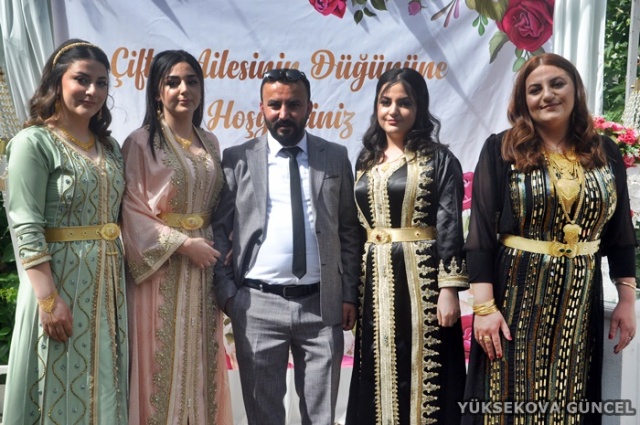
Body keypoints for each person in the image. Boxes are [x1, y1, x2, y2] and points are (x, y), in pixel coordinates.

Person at [463, 53, 637, 424]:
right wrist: (485, 309)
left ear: (575, 89)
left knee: (568, 396)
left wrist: (626, 299)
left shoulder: (604, 152)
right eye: (535, 89)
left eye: (557, 84)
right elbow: (480, 236)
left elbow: (620, 234)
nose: (547, 95)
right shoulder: (502, 149)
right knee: (506, 396)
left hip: (578, 303)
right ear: (522, 100)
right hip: (515, 299)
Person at [212, 68, 361, 425]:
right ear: (261, 108)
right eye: (274, 105)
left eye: (293, 104)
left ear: (309, 107)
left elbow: (348, 230)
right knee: (263, 416)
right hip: (257, 306)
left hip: (321, 307)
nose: (284, 113)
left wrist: (348, 294)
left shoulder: (334, 156)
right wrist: (229, 295)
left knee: (321, 416)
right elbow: (218, 230)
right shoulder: (238, 158)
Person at [2, 39, 128, 424]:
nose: (92, 91)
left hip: (107, 286)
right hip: (59, 283)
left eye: (101, 83)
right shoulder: (33, 142)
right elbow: (26, 224)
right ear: (57, 81)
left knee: (104, 383)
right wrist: (48, 299)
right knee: (56, 381)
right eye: (82, 79)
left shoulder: (110, 147)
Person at [344, 67, 469, 424]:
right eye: (385, 102)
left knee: (422, 366)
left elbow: (449, 224)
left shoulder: (439, 159)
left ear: (419, 108)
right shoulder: (366, 159)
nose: (393, 111)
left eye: (404, 103)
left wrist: (448, 289)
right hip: (374, 283)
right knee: (377, 362)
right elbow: (355, 228)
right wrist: (350, 292)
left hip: (421, 282)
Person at [120, 50, 232, 425]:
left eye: (192, 81)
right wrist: (184, 244)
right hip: (160, 271)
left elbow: (217, 205)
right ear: (157, 91)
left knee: (201, 360)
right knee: (160, 359)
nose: (184, 89)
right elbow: (132, 210)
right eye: (173, 82)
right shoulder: (140, 143)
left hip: (203, 270)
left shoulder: (210, 142)